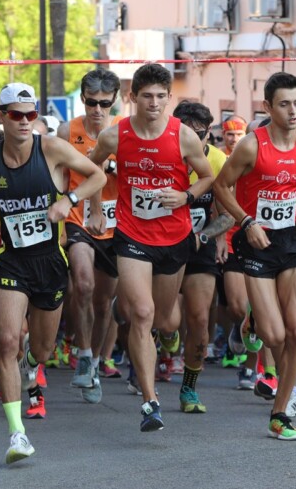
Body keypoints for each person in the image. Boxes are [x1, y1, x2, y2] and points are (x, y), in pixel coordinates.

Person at [0, 83, 106, 463]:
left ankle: (32, 366)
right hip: (11, 262)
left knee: (41, 348)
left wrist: (68, 201)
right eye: (16, 115)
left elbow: (96, 175)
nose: (24, 121)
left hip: (50, 263)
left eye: (30, 114)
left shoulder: (50, 147)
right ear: (1, 117)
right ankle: (16, 433)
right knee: (6, 341)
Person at [88, 64, 215, 432]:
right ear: (133, 97)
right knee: (142, 315)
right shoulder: (116, 136)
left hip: (174, 238)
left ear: (169, 98)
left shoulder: (184, 136)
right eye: (147, 96)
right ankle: (150, 401)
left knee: (163, 319)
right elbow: (92, 168)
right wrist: (96, 209)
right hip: (131, 234)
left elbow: (207, 176)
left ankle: (138, 317)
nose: (155, 103)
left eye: (161, 96)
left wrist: (185, 195)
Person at [213, 72, 296, 440]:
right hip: (256, 241)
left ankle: (281, 413)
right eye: (284, 104)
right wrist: (246, 222)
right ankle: (253, 323)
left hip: (293, 240)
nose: (293, 111)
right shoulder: (250, 146)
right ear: (268, 107)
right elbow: (221, 186)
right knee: (274, 334)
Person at [57, 69, 121, 405]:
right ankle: (82, 353)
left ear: (115, 101)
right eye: (92, 102)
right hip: (78, 217)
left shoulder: (124, 131)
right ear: (83, 99)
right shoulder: (68, 131)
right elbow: (59, 172)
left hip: (116, 224)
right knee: (82, 284)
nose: (97, 109)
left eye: (104, 103)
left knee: (104, 301)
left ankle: (94, 362)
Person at [171, 99, 231, 413]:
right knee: (165, 317)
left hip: (199, 244)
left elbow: (228, 213)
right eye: (188, 134)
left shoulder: (219, 161)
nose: (196, 140)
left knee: (199, 318)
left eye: (202, 134)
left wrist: (208, 236)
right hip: (161, 242)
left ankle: (190, 387)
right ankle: (165, 336)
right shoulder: (163, 155)